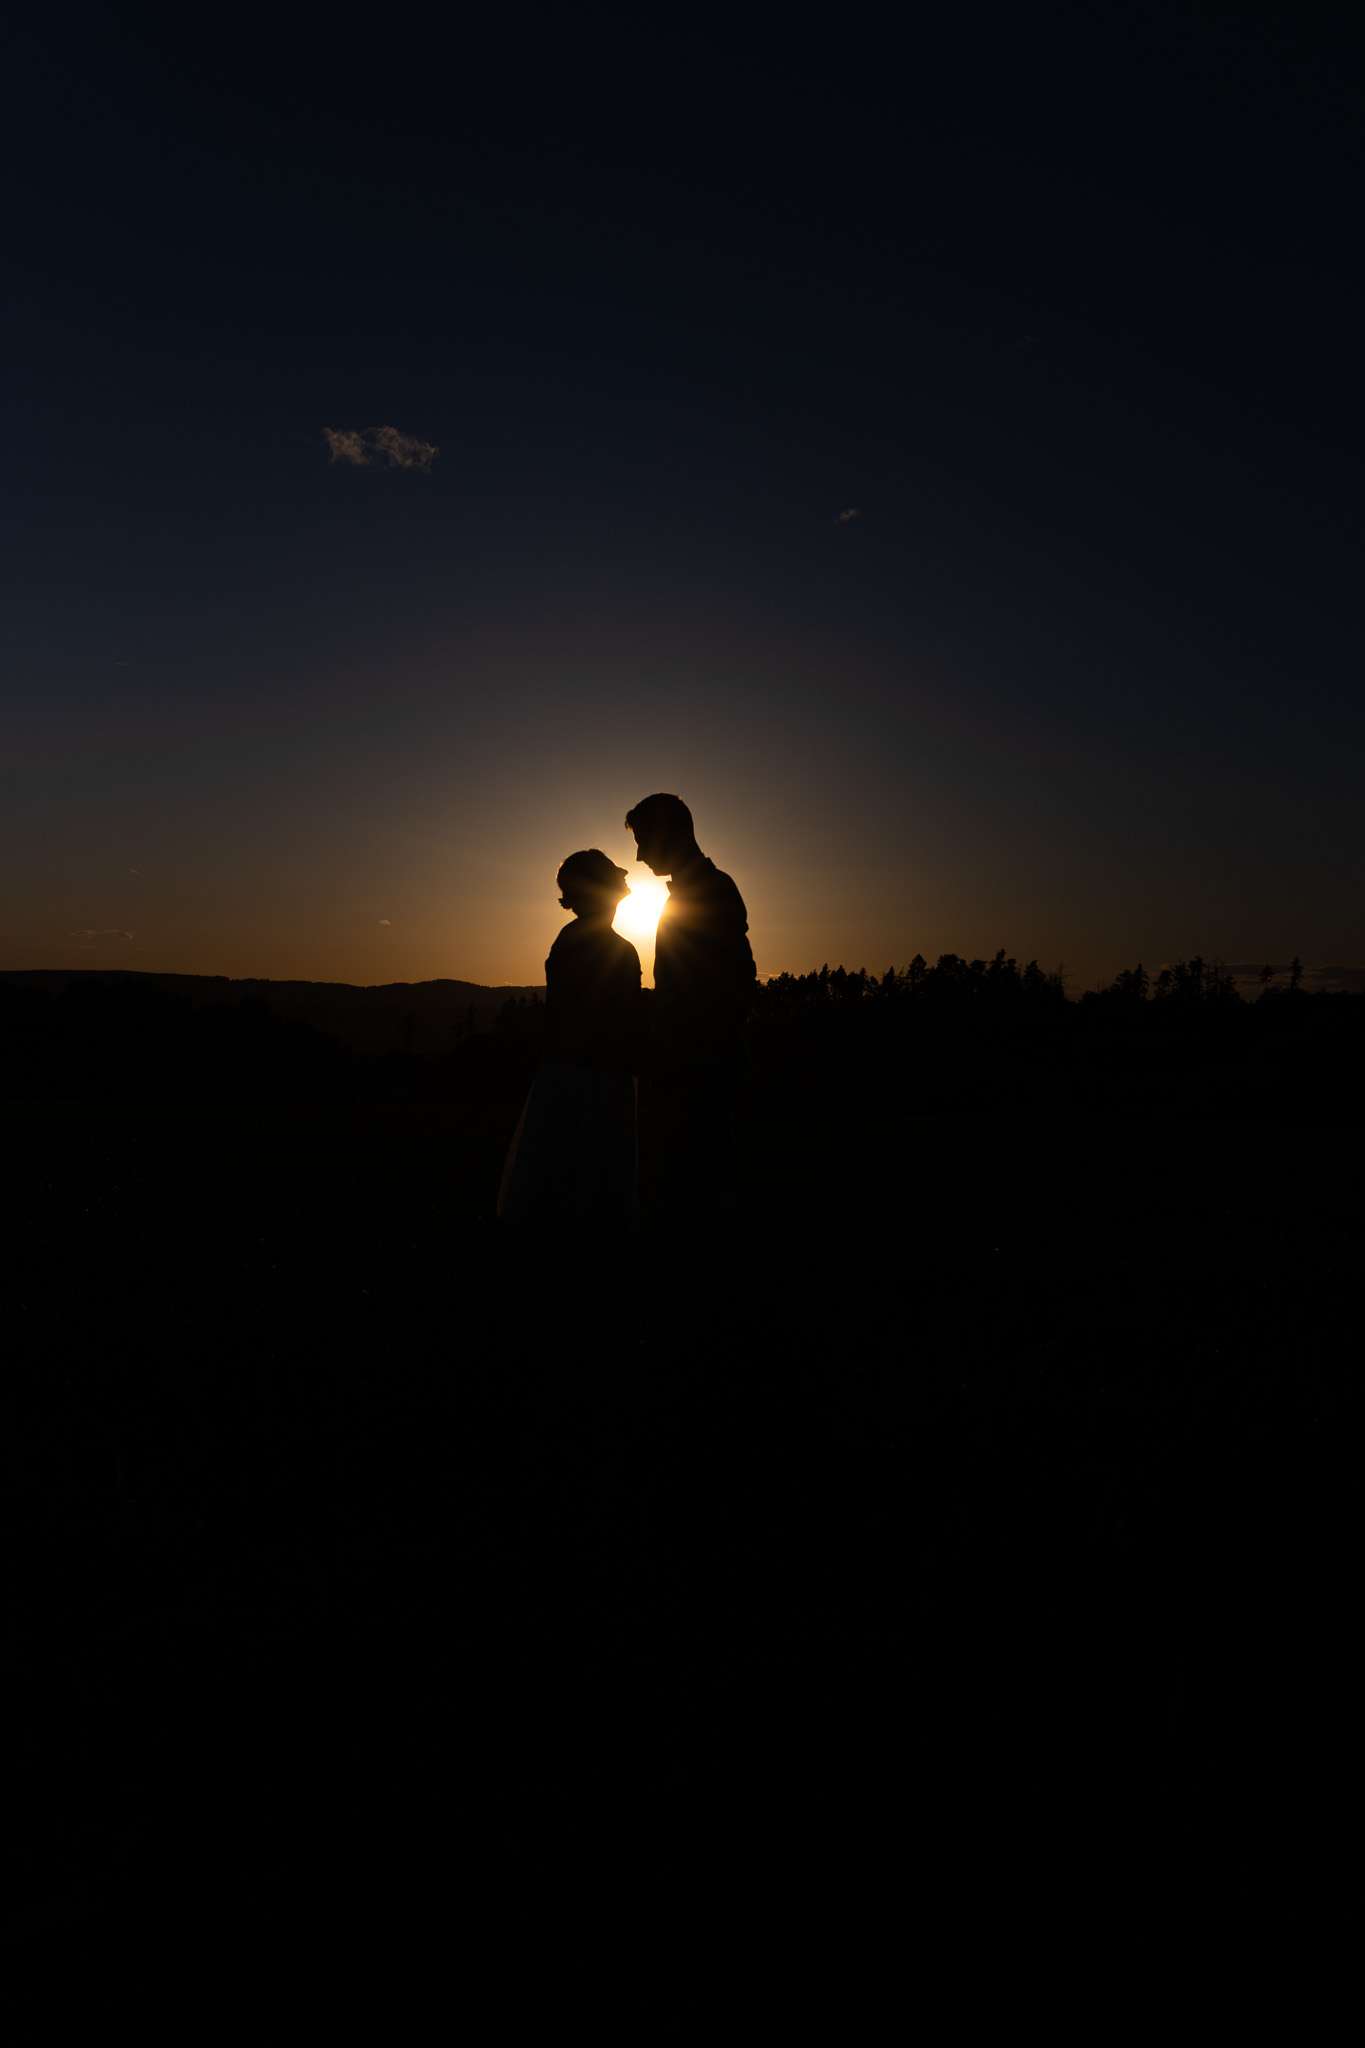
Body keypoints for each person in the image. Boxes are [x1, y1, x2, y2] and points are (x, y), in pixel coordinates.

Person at [497, 850, 647, 1231]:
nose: (624, 878)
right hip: (598, 1076)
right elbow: (619, 1019)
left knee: (560, 1174)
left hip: (570, 1072)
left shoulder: (571, 940)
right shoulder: (613, 948)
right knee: (591, 1176)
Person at [624, 793, 756, 1215]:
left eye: (643, 842)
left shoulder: (712, 890)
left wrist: (703, 1056)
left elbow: (735, 980)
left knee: (698, 1191)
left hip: (700, 1071)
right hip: (686, 1067)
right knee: (684, 1187)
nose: (640, 856)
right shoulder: (693, 892)